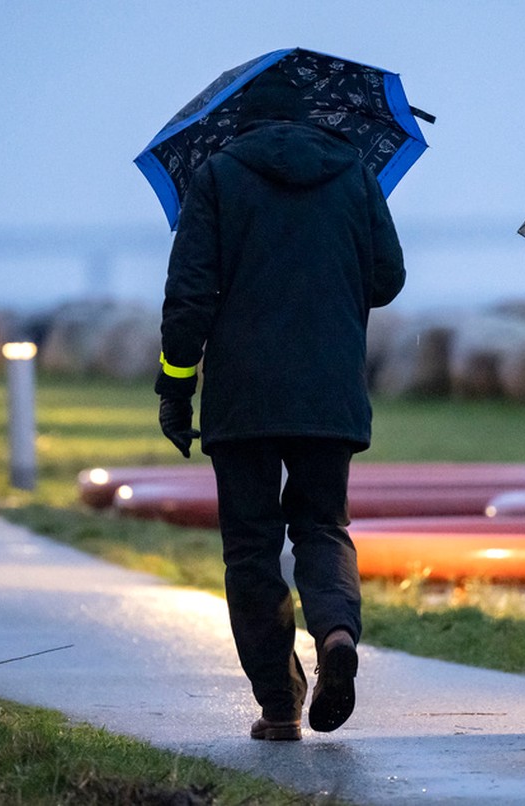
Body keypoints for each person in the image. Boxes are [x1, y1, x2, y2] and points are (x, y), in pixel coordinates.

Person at [155, 73, 406, 741]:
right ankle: (335, 637)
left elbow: (189, 300)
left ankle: (278, 703)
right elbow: (388, 278)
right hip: (330, 391)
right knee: (323, 526)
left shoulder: (216, 177)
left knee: (251, 549)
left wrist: (174, 390)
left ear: (241, 123)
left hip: (243, 400)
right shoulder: (352, 171)